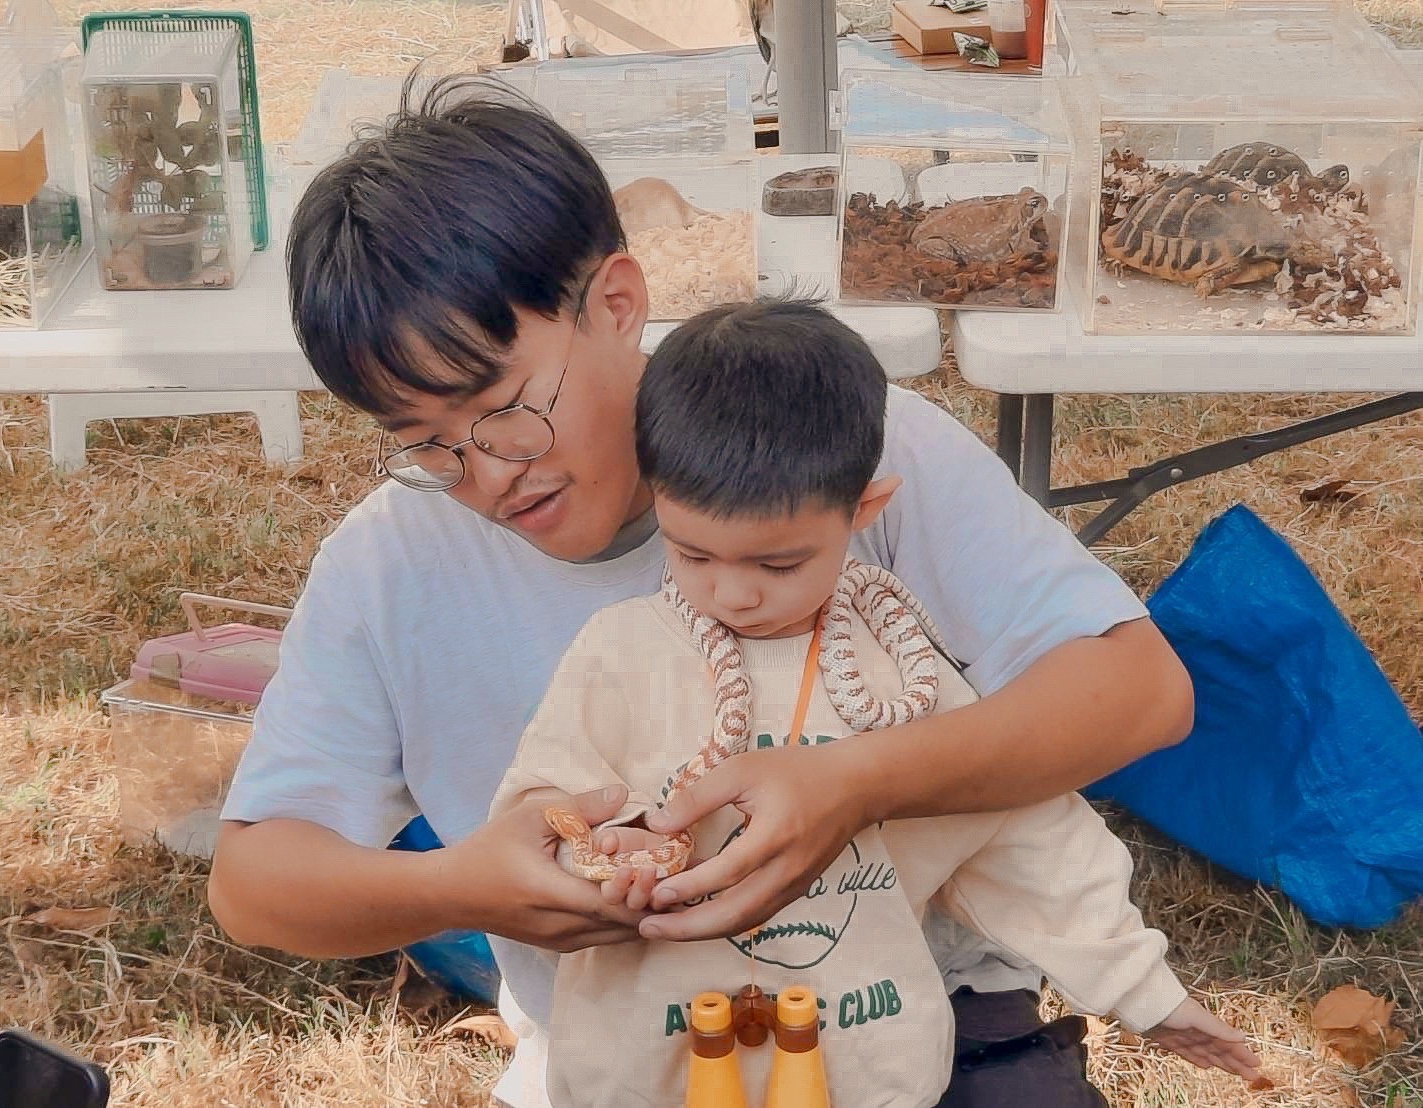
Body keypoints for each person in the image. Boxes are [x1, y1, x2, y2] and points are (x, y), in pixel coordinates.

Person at [207, 74, 1200, 1106]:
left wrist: (858, 782)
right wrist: (461, 885)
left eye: (501, 410)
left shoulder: (819, 437)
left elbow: (1137, 688)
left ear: (617, 306)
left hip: (927, 1022)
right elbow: (254, 881)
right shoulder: (391, 566)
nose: (487, 473)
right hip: (636, 1052)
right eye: (425, 444)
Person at [487, 298, 1264, 1106]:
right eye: (693, 554)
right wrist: (599, 848)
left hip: (864, 1067)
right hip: (645, 1069)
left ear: (864, 511)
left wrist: (1143, 991)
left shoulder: (901, 672)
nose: (734, 592)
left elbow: (1026, 841)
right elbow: (542, 806)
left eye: (779, 564)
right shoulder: (619, 654)